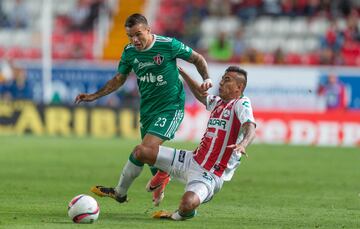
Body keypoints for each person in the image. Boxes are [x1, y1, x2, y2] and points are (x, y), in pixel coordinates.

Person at [74, 13, 212, 206]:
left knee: (143, 150)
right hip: (148, 110)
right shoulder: (130, 52)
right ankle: (162, 178)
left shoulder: (168, 45)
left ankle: (119, 192)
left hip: (171, 107)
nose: (135, 40)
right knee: (149, 155)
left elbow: (197, 59)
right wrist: (93, 96)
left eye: (138, 34)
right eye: (130, 36)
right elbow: (118, 79)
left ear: (148, 30)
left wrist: (206, 79)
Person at [149, 66, 256, 220]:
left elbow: (250, 126)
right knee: (143, 151)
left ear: (239, 87)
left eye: (227, 80)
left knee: (187, 204)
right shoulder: (218, 102)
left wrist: (243, 144)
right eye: (222, 79)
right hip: (192, 159)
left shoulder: (241, 103)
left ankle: (179, 214)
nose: (221, 83)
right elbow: (200, 94)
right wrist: (182, 72)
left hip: (211, 173)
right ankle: (157, 176)